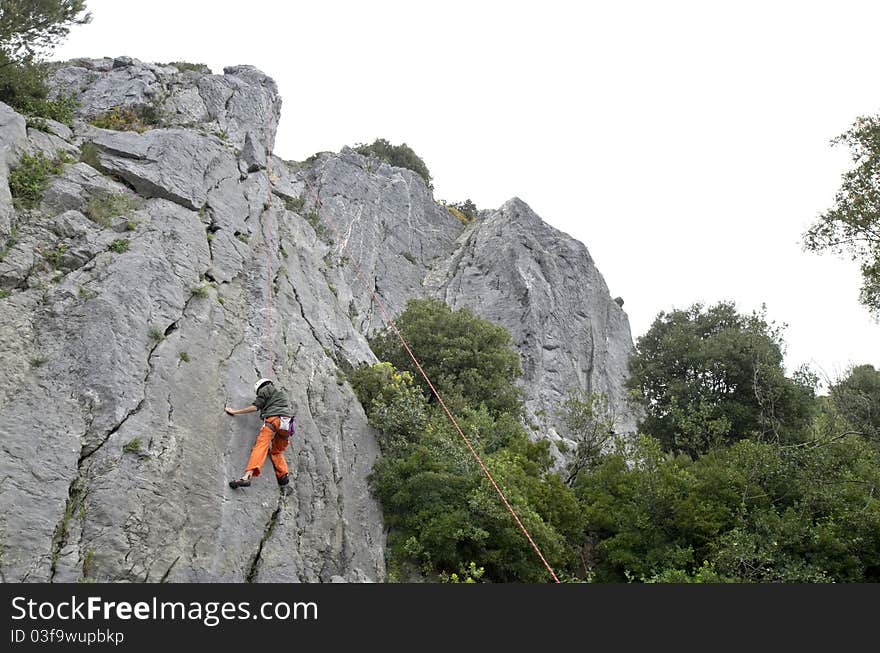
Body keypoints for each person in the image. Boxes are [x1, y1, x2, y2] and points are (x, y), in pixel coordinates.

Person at [226, 378, 295, 489]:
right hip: (287, 423)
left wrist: (235, 411)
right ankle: (283, 476)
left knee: (261, 446)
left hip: (273, 420)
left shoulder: (265, 390)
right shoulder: (281, 394)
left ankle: (247, 476)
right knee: (277, 451)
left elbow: (255, 407)